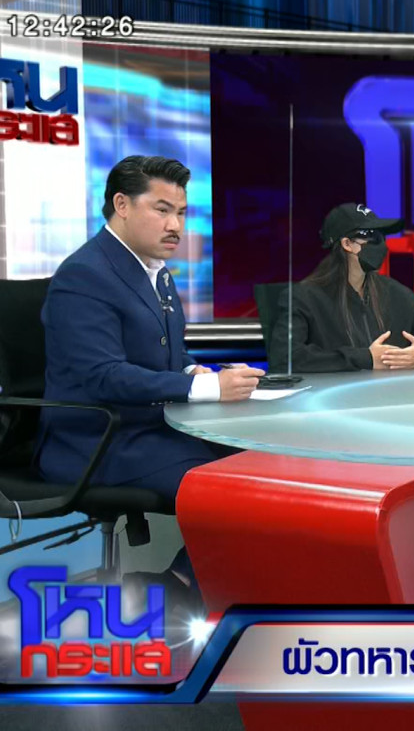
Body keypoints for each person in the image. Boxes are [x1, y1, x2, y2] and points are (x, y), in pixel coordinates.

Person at [36, 155, 264, 606]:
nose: (175, 225)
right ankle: (183, 594)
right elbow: (102, 376)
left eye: (180, 212)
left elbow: (165, 356)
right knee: (235, 491)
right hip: (95, 441)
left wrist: (193, 370)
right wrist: (205, 389)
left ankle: (185, 580)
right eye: (162, 210)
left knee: (265, 465)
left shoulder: (156, 273)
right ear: (122, 205)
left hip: (151, 428)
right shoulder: (84, 276)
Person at [269, 203, 414, 373]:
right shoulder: (304, 297)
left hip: (392, 394)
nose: (381, 245)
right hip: (333, 397)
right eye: (371, 237)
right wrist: (366, 358)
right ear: (347, 244)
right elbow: (284, 358)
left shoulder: (398, 294)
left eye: (382, 237)